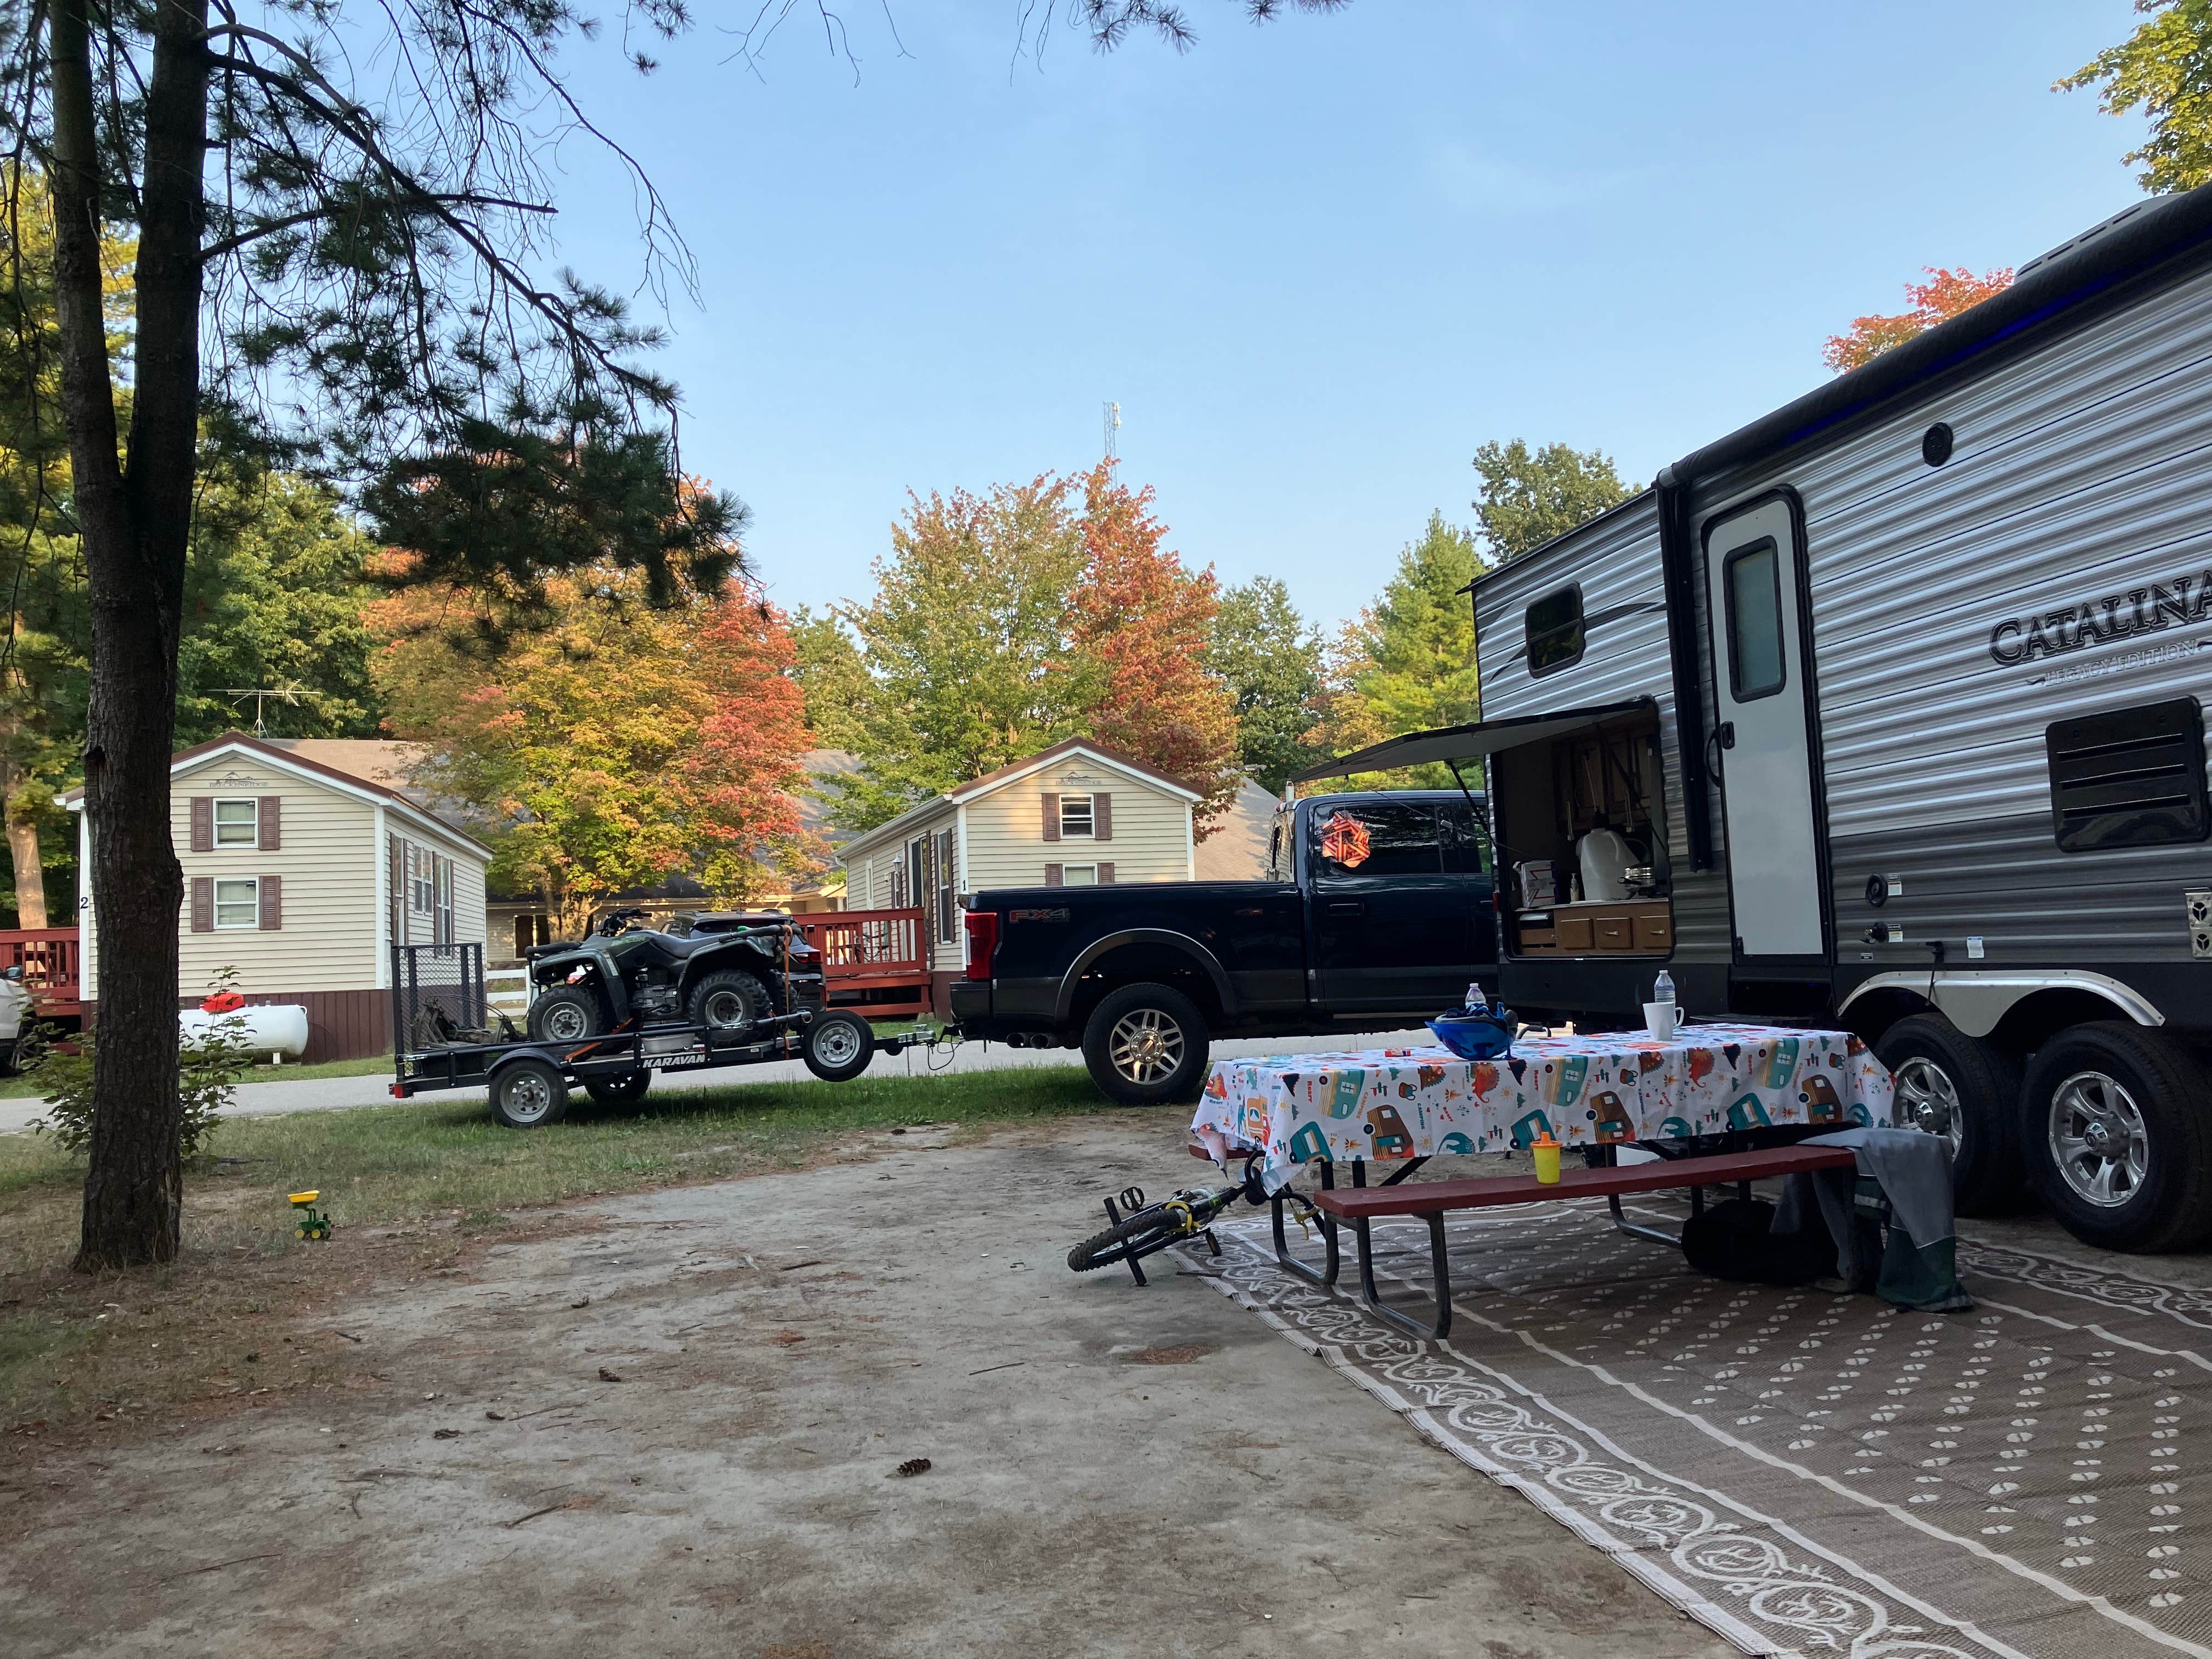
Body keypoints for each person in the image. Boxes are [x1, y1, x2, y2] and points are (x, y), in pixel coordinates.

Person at [1576, 818, 1633, 904]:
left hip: (1602, 897)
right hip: (1612, 894)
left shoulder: (1589, 839)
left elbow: (1593, 868)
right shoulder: (1611, 835)